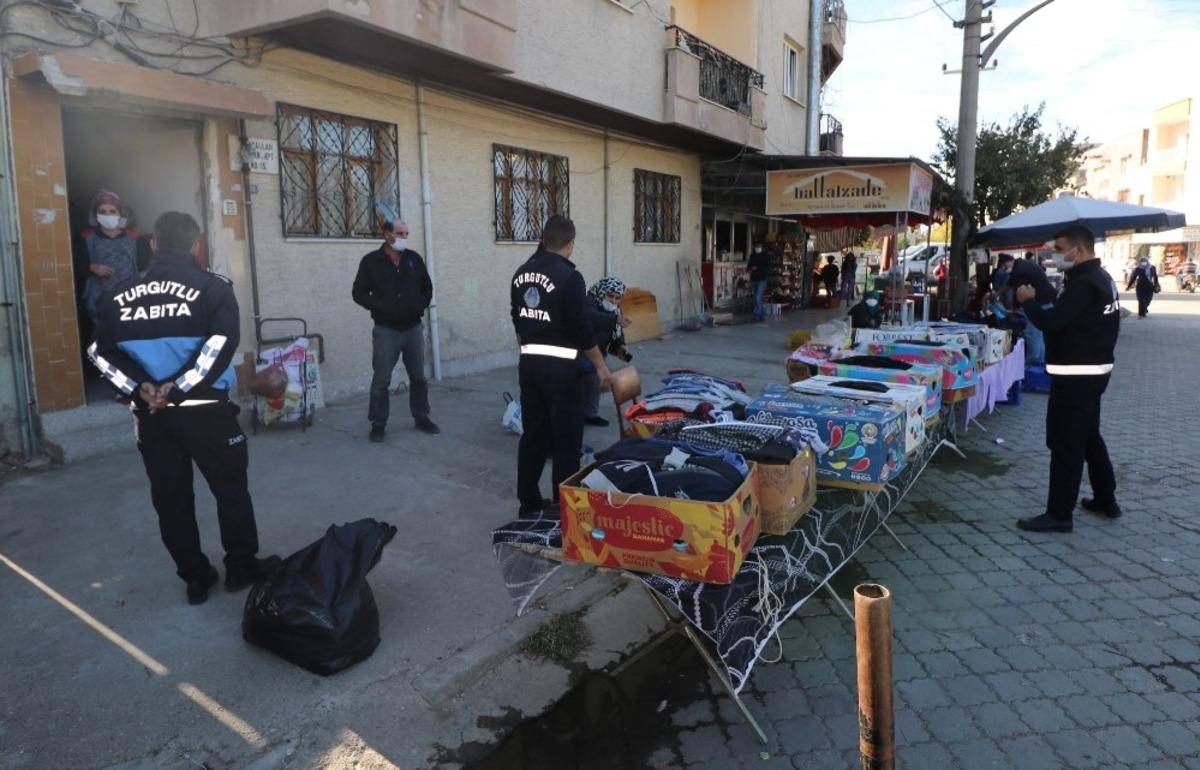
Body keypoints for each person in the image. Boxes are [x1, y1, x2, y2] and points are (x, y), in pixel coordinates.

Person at [86, 212, 280, 604]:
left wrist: (141, 390)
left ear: (153, 244)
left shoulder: (117, 293)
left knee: (171, 500)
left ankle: (195, 577)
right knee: (231, 492)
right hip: (205, 412)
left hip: (152, 419)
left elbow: (99, 353)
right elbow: (219, 348)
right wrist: (175, 389)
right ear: (195, 245)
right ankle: (241, 567)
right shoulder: (213, 288)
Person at [1014, 224, 1120, 533]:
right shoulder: (1100, 278)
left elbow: (1052, 321)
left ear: (1080, 249)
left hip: (1077, 377)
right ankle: (1106, 499)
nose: (1056, 255)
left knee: (1066, 445)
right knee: (1088, 438)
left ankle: (1059, 514)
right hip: (1092, 373)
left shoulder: (1086, 283)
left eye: (1060, 250)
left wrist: (1028, 301)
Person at [511, 215, 611, 518]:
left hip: (529, 365)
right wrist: (600, 366)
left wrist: (530, 349)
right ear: (570, 244)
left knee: (534, 437)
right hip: (562, 370)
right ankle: (561, 510)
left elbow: (517, 318)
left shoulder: (520, 273)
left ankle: (528, 504)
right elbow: (581, 328)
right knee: (567, 441)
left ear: (543, 239)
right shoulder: (570, 277)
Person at [352, 219, 439, 441]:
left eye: (407, 234)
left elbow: (427, 287)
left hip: (412, 328)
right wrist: (380, 306)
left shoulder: (413, 259)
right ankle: (378, 424)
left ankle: (421, 417)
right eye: (400, 233)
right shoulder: (371, 262)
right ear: (386, 234)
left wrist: (419, 304)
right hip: (386, 330)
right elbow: (358, 293)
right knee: (381, 379)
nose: (404, 237)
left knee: (418, 376)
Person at [75, 189, 153, 327]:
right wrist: (92, 267)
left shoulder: (136, 239)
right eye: (102, 212)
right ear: (95, 215)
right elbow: (77, 266)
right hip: (98, 302)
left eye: (112, 211)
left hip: (131, 301)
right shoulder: (87, 238)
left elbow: (146, 268)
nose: (108, 215)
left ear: (119, 214)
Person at [582, 276, 632, 427]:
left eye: (618, 298)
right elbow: (592, 317)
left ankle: (589, 415)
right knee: (590, 379)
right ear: (602, 293)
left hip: (599, 352)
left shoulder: (615, 310)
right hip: (583, 350)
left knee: (594, 383)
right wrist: (614, 320)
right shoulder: (589, 301)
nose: (614, 301)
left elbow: (616, 335)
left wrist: (621, 347)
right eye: (610, 296)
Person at [1008, 256, 1058, 364]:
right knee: (1039, 335)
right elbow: (1010, 283)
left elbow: (1019, 291)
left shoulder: (1019, 272)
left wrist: (1015, 308)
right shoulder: (1024, 266)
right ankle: (1041, 362)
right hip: (1047, 300)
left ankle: (1033, 362)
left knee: (1032, 333)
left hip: (1040, 302)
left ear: (1009, 262)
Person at [748, 243, 770, 322]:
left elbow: (767, 267)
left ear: (761, 248)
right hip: (754, 279)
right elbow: (748, 267)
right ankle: (761, 315)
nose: (758, 248)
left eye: (759, 247)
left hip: (762, 279)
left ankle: (757, 315)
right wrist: (751, 269)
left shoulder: (765, 256)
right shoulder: (752, 256)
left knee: (758, 297)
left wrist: (757, 268)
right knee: (757, 298)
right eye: (756, 247)